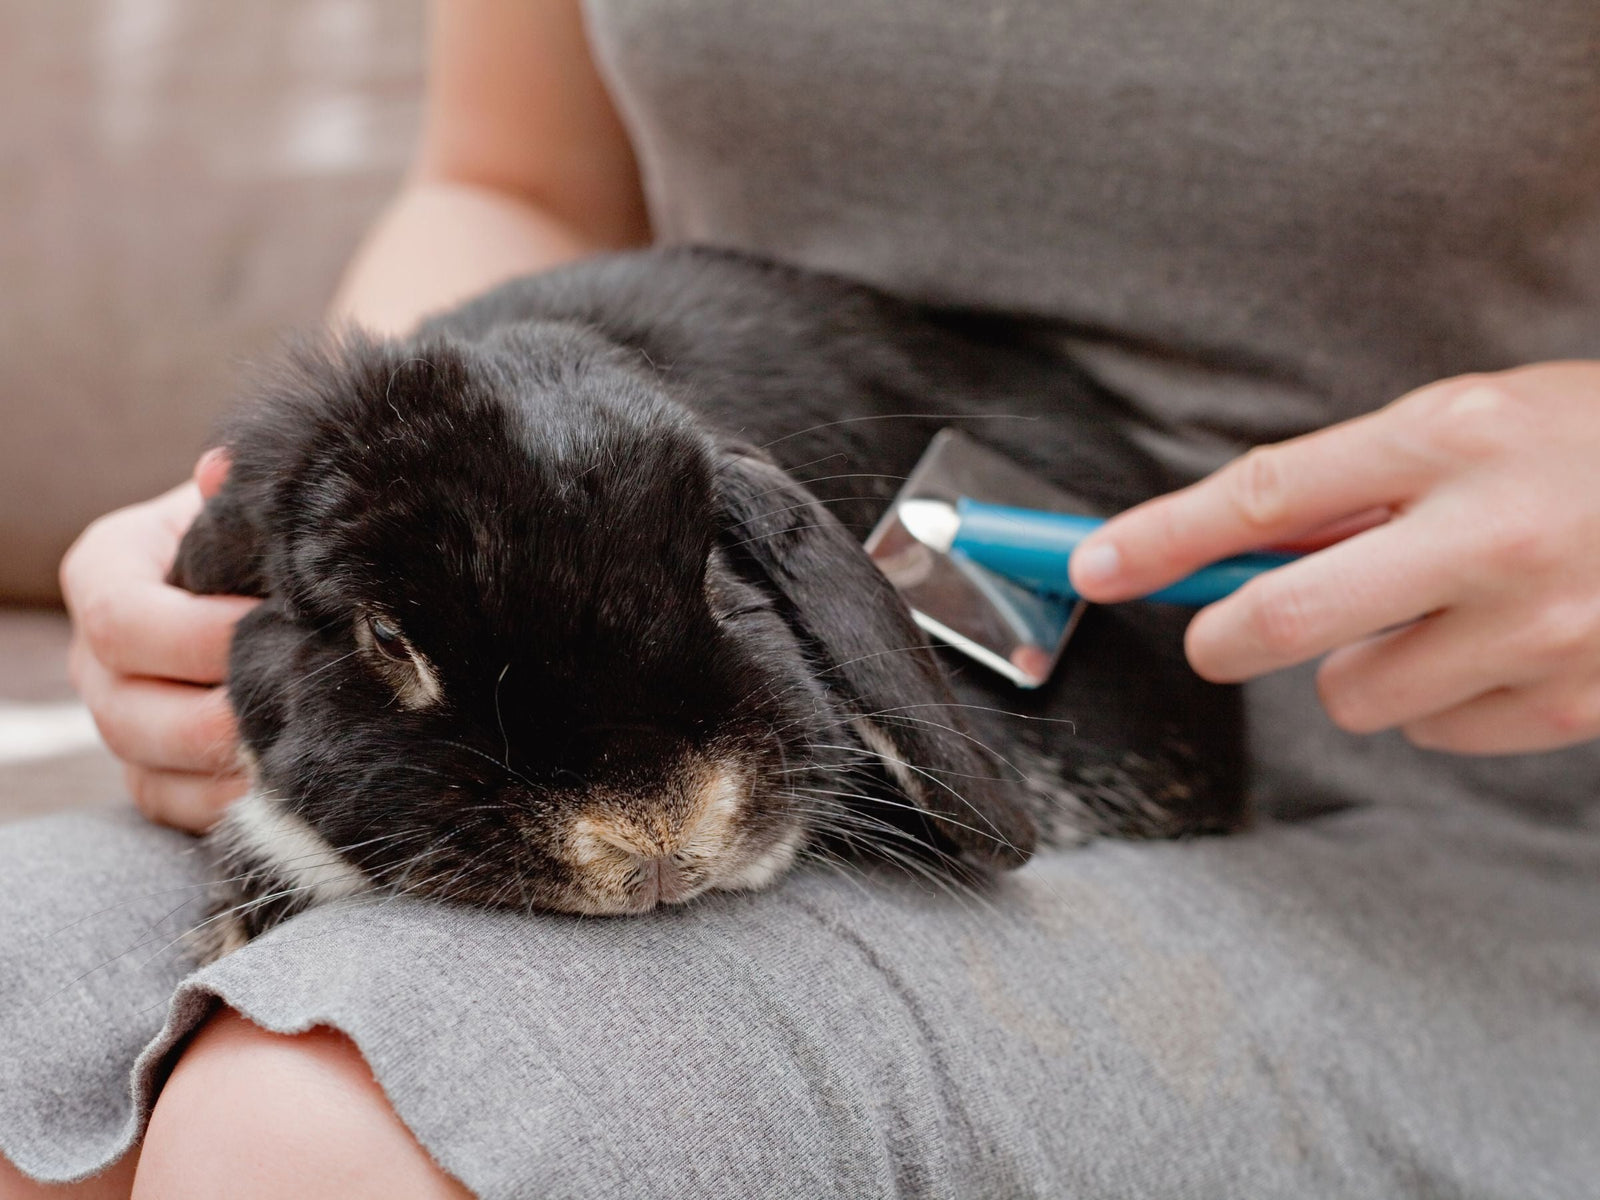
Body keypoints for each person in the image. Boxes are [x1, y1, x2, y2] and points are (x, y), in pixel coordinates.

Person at [6, 1, 1599, 1196]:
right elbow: (518, 184)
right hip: (693, 622)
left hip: (1456, 773)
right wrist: (317, 500)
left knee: (332, 1119)